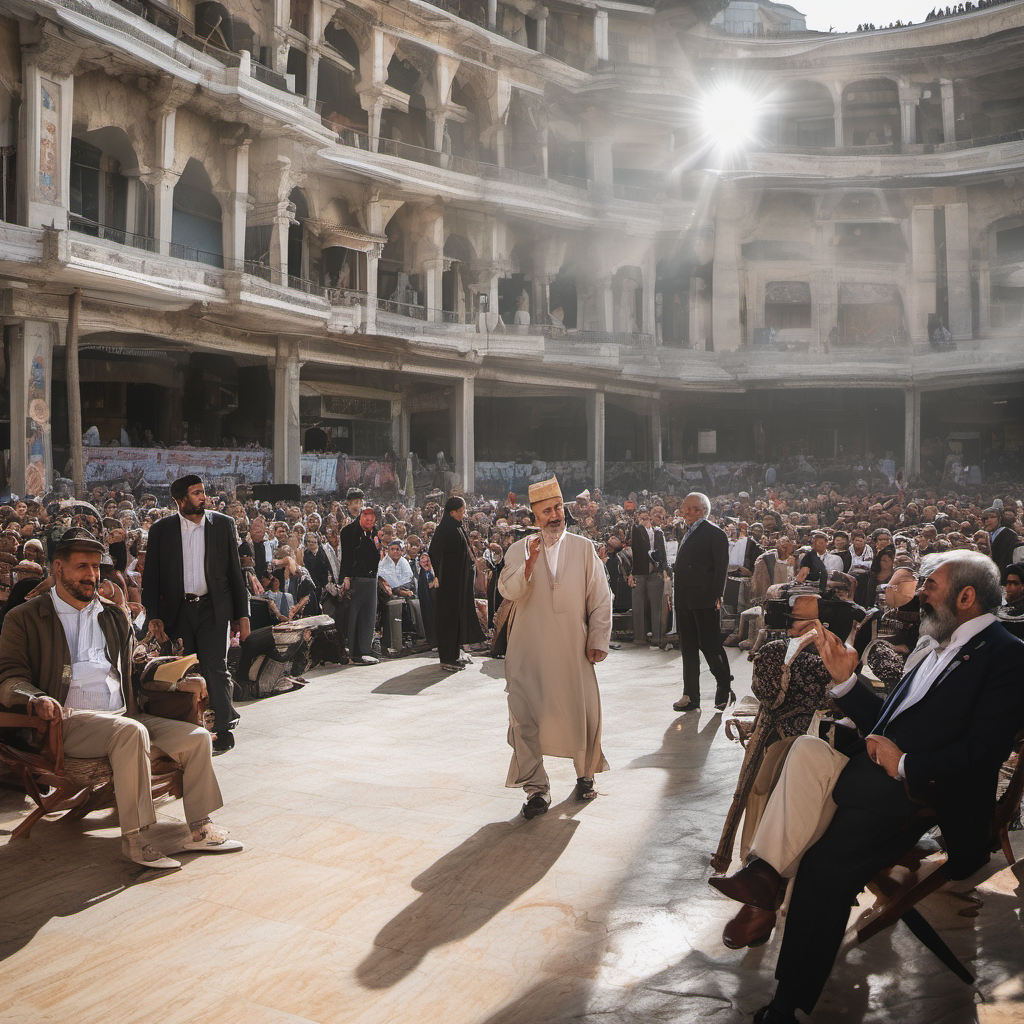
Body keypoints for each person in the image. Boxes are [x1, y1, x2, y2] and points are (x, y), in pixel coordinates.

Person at [709, 551, 1024, 1023]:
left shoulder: (1007, 655)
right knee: (805, 750)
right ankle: (765, 877)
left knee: (821, 865)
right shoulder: (931, 644)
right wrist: (846, 681)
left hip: (920, 793)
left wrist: (906, 765)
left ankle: (788, 1003)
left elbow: (983, 752)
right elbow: (885, 723)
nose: (919, 592)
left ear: (965, 596)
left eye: (929, 585)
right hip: (873, 774)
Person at [0, 528, 243, 869]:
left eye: (96, 567)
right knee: (131, 733)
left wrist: (178, 679)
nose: (91, 574)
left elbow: (135, 669)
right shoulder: (25, 618)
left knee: (197, 737)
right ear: (57, 568)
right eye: (82, 566)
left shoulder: (113, 615)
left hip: (124, 715)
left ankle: (200, 829)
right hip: (65, 723)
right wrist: (36, 697)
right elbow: (9, 677)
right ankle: (137, 839)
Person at [498, 476, 611, 818]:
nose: (555, 515)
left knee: (581, 711)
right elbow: (507, 591)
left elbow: (601, 597)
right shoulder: (519, 549)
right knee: (524, 717)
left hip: (572, 649)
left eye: (558, 508)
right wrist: (529, 567)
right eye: (546, 511)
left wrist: (598, 639)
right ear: (534, 516)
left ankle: (586, 776)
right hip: (526, 653)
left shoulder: (582, 547)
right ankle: (536, 789)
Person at [141, 475, 249, 754]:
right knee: (182, 669)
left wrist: (243, 615)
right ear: (180, 500)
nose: (204, 497)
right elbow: (151, 578)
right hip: (177, 611)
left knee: (216, 666)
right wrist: (154, 615)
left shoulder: (223, 524)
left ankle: (224, 728)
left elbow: (234, 574)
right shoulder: (161, 530)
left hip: (214, 608)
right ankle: (186, 727)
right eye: (196, 493)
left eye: (203, 492)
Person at [672, 492, 734, 713]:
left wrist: (717, 595)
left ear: (697, 510)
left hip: (705, 598)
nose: (682, 511)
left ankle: (724, 684)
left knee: (709, 644)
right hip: (684, 599)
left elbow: (721, 567)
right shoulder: (687, 532)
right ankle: (690, 695)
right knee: (688, 648)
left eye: (685, 507)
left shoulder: (714, 534)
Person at [428, 496, 484, 673]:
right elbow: (433, 553)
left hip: (458, 582)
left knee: (457, 617)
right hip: (448, 583)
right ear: (452, 512)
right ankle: (447, 657)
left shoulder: (458, 527)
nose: (463, 513)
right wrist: (437, 575)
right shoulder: (444, 529)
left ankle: (455, 653)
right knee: (448, 619)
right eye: (460, 511)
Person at [339, 505, 381, 664]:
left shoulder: (375, 532)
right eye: (366, 517)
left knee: (369, 616)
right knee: (354, 617)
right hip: (356, 579)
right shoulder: (349, 531)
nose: (370, 520)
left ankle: (365, 650)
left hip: (371, 579)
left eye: (372, 518)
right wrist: (346, 577)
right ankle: (355, 653)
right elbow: (347, 556)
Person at [628, 507, 668, 647]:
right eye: (642, 517)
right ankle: (639, 637)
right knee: (638, 606)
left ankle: (657, 637)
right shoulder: (636, 530)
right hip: (639, 571)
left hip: (655, 572)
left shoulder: (658, 533)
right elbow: (634, 546)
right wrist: (631, 573)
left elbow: (662, 552)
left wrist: (664, 570)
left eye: (647, 517)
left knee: (656, 606)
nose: (645, 520)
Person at [378, 539, 426, 641]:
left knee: (410, 600)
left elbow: (409, 580)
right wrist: (397, 591)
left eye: (398, 549)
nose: (395, 552)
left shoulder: (404, 562)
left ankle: (411, 633)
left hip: (404, 592)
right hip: (388, 595)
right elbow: (384, 582)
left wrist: (402, 591)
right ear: (388, 551)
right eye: (393, 549)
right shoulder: (383, 564)